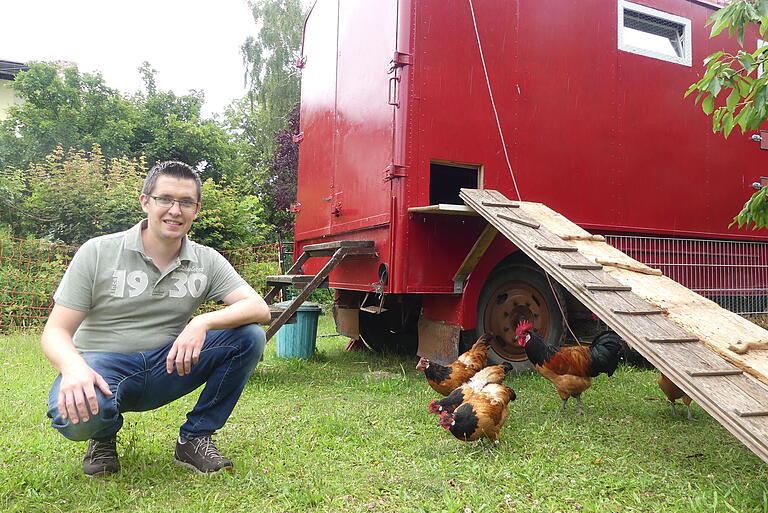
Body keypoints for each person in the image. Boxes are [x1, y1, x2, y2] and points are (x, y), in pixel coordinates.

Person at [41, 160, 271, 477]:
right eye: (165, 199)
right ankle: (102, 435)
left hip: (169, 364)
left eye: (186, 202)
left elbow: (258, 308)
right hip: (104, 366)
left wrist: (201, 322)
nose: (175, 210)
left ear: (196, 209)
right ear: (145, 201)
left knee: (249, 336)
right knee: (76, 418)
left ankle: (194, 438)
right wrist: (73, 368)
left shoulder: (206, 259)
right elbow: (55, 331)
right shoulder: (98, 252)